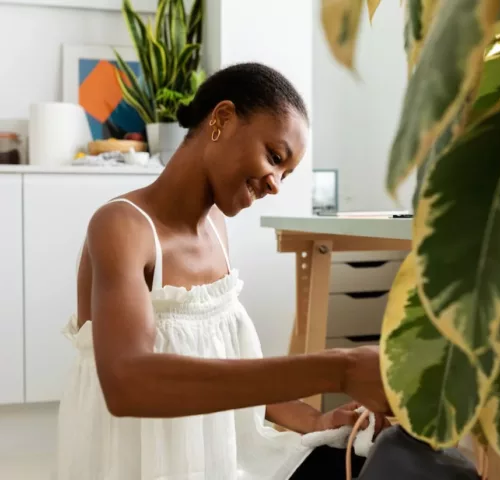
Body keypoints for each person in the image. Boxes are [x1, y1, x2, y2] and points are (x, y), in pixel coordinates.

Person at [56, 62, 391, 480]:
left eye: (285, 174)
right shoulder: (122, 228)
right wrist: (338, 368)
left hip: (218, 455)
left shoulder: (217, 229)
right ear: (223, 119)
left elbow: (224, 362)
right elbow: (128, 384)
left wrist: (314, 419)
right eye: (274, 157)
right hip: (139, 463)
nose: (275, 185)